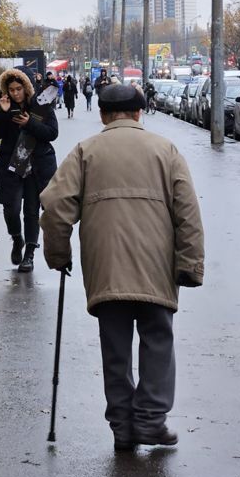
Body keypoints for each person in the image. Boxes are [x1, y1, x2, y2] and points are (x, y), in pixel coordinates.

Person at [40, 83, 204, 450]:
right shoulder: (166, 150)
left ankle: (123, 426)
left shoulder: (86, 151)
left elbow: (55, 209)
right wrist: (190, 264)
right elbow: (188, 213)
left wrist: (58, 255)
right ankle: (150, 419)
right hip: (156, 264)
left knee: (114, 346)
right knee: (157, 339)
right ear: (139, 113)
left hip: (105, 265)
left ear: (102, 114)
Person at [0, 70, 58, 273]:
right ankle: (17, 238)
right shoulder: (4, 105)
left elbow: (52, 133)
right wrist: (3, 112)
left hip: (37, 167)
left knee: (31, 211)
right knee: (11, 208)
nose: (16, 93)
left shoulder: (41, 106)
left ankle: (29, 255)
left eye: (19, 89)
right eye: (11, 90)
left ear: (26, 88)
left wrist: (30, 124)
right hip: (12, 167)